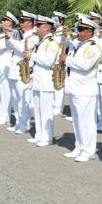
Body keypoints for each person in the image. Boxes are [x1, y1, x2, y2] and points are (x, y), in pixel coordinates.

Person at [62, 16, 102, 162]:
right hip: (74, 88)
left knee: (87, 122)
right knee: (77, 120)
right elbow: (67, 41)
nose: (78, 32)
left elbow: (86, 65)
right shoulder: (77, 44)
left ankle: (88, 150)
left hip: (86, 90)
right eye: (78, 29)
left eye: (81, 30)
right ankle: (79, 146)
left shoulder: (94, 46)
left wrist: (66, 59)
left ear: (90, 31)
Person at [26, 14, 59, 147]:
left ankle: (47, 136)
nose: (37, 28)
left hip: (46, 81)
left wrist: (32, 55)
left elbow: (48, 61)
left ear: (46, 27)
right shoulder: (41, 41)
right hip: (38, 80)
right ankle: (39, 134)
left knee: (46, 111)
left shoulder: (52, 42)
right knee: (38, 110)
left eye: (39, 25)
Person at [7, 11, 39, 134]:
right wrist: (7, 36)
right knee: (16, 99)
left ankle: (24, 124)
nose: (20, 23)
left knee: (23, 99)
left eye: (22, 21)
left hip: (24, 70)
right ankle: (18, 122)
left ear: (30, 23)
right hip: (15, 70)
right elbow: (10, 47)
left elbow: (24, 50)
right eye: (20, 21)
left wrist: (11, 37)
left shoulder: (33, 36)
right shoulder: (24, 35)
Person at [0, 12, 19, 125]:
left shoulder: (14, 33)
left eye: (5, 20)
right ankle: (0, 114)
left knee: (5, 93)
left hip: (5, 66)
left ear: (11, 22)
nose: (2, 22)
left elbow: (2, 46)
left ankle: (5, 116)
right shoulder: (1, 33)